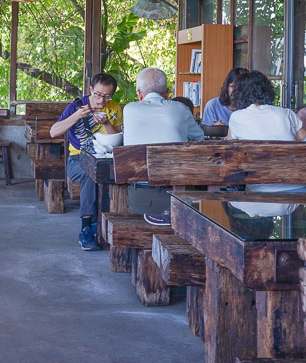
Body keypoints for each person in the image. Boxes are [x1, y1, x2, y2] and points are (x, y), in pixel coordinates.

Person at [50, 73, 123, 251]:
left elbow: (120, 139)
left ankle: (115, 224)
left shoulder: (114, 108)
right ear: (91, 89)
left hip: (106, 159)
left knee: (119, 174)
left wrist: (106, 124)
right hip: (77, 160)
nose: (101, 100)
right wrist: (76, 117)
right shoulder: (76, 106)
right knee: (92, 174)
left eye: (107, 96)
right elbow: (53, 132)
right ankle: (87, 227)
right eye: (98, 94)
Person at [123, 67, 204, 226]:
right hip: (179, 198)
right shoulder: (180, 108)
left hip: (141, 199)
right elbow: (199, 138)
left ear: (139, 94)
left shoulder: (129, 109)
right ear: (167, 92)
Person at [227, 70, 306, 217]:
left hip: (259, 191)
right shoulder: (287, 114)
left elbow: (229, 152)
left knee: (232, 202)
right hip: (298, 190)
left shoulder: (236, 117)